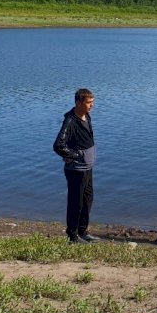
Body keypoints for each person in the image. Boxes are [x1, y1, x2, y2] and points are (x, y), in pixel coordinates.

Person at [53, 88, 100, 244]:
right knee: (76, 203)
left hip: (87, 168)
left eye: (92, 102)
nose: (91, 105)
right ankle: (73, 236)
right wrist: (74, 155)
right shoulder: (70, 121)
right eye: (88, 102)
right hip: (76, 170)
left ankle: (83, 231)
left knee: (87, 200)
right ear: (78, 102)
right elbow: (58, 145)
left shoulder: (87, 116)